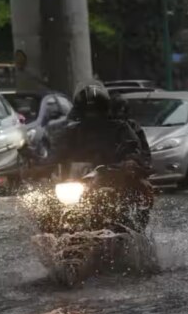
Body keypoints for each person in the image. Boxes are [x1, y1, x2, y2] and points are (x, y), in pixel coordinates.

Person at [55, 81, 154, 217]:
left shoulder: (121, 128)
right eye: (88, 110)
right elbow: (57, 154)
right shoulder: (71, 131)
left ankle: (134, 224)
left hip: (115, 180)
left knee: (138, 193)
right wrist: (39, 168)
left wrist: (130, 161)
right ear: (80, 111)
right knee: (46, 205)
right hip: (78, 183)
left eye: (96, 110)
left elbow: (133, 147)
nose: (92, 114)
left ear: (105, 109)